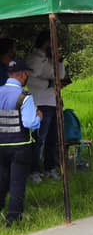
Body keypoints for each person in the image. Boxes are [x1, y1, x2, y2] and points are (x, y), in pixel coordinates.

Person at [0, 58, 43, 226]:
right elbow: (30, 123)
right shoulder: (24, 96)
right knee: (17, 183)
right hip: (19, 146)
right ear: (23, 75)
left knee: (1, 181)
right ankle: (13, 219)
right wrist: (39, 116)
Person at [26, 30, 67, 181]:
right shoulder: (34, 57)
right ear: (45, 43)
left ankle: (50, 167)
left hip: (53, 101)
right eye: (52, 43)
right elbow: (30, 78)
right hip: (39, 103)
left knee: (52, 139)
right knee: (39, 139)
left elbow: (60, 76)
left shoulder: (50, 59)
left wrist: (59, 60)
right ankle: (33, 170)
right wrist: (49, 82)